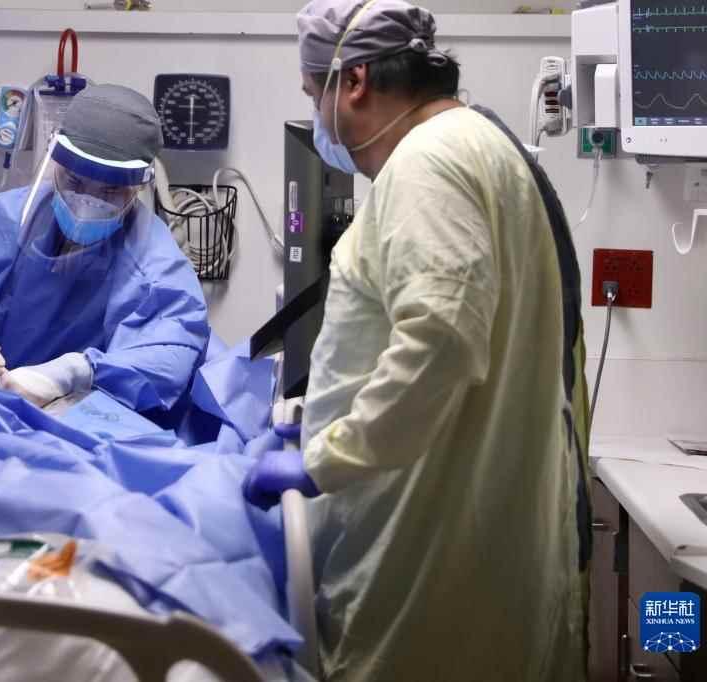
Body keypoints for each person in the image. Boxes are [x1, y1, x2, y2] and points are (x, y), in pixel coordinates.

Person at [242, 1, 592, 680]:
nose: (317, 118)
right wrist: (325, 419)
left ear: (354, 81)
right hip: (465, 542)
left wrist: (325, 461)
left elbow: (441, 340)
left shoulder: (427, 164)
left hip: (425, 566)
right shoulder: (481, 144)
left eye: (314, 94)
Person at [0, 84, 209, 413]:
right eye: (75, 182)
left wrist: (76, 374)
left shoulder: (155, 266)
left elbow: (171, 348)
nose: (86, 202)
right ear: (56, 166)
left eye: (109, 191)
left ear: (137, 187)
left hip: (89, 423)